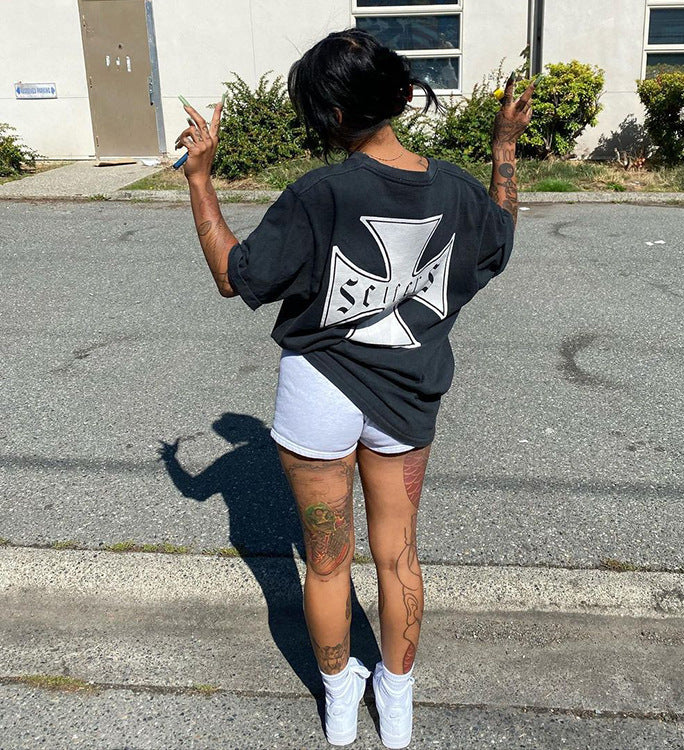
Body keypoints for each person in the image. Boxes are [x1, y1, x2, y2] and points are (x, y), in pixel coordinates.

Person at [174, 28, 534, 749]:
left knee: (326, 559)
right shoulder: (455, 190)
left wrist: (199, 179)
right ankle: (395, 701)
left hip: (318, 390)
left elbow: (233, 276)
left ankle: (341, 698)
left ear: (334, 116)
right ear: (398, 96)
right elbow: (498, 238)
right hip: (409, 389)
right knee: (398, 555)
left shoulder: (320, 194)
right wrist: (503, 146)